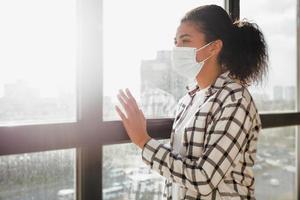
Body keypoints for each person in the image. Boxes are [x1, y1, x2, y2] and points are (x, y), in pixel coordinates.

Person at [115, 4, 268, 200]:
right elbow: (178, 172)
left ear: (213, 47)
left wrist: (144, 142)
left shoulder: (235, 99)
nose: (176, 48)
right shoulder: (187, 100)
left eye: (185, 40)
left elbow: (204, 179)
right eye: (175, 41)